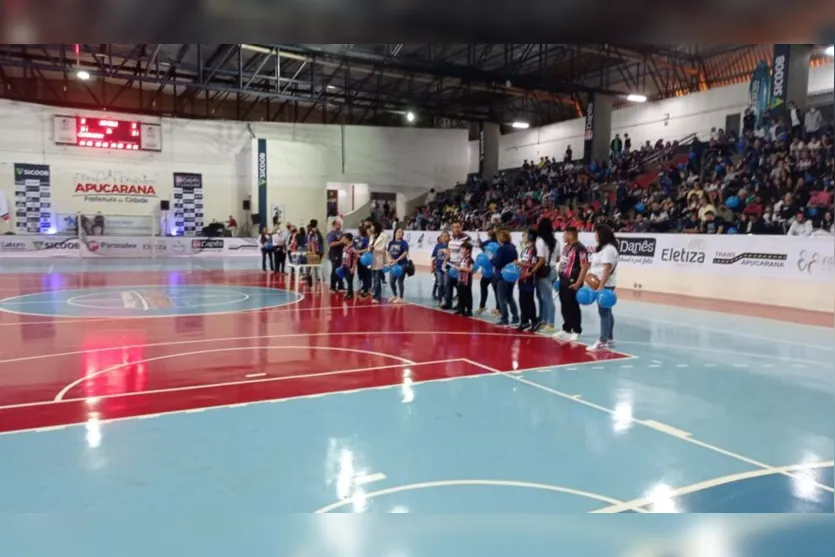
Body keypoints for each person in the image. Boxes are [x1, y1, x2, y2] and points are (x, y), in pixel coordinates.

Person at [586, 224, 619, 351]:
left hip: (605, 284)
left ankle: (603, 340)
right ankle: (609, 337)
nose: (595, 235)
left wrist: (600, 286)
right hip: (602, 283)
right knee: (607, 311)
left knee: (604, 312)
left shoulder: (609, 249)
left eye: (597, 233)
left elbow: (607, 269)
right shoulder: (604, 248)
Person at [553, 226, 589, 342]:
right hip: (563, 280)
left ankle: (577, 330)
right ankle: (566, 328)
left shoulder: (581, 249)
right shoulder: (566, 247)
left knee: (573, 306)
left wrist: (578, 282)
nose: (563, 236)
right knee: (564, 305)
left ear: (570, 235)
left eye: (565, 234)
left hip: (573, 281)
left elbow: (584, 266)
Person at [534, 217, 559, 333]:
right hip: (553, 270)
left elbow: (541, 259)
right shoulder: (556, 241)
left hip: (544, 271)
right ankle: (545, 320)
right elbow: (558, 258)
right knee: (546, 297)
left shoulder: (540, 241)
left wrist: (532, 270)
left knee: (546, 298)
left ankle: (550, 323)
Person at [492, 229, 519, 327]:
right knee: (510, 297)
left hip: (502, 275)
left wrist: (492, 259)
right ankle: (515, 317)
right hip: (512, 275)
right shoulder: (513, 248)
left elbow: (497, 262)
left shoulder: (501, 249)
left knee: (502, 298)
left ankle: (505, 319)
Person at [441, 221, 469, 310]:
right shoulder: (451, 238)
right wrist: (444, 262)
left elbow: (467, 253)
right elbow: (449, 252)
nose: (456, 229)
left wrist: (462, 263)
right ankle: (448, 303)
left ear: (461, 227)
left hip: (460, 266)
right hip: (451, 265)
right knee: (448, 284)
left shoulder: (466, 238)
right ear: (452, 228)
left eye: (458, 227)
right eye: (454, 227)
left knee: (460, 287)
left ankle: (460, 305)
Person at [516, 229, 538, 331]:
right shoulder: (525, 249)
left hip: (528, 278)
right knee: (522, 300)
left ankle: (534, 321)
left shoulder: (533, 249)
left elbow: (533, 264)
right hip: (522, 277)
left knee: (529, 301)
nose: (523, 237)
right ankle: (524, 321)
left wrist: (521, 264)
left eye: (524, 235)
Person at [477, 229, 499, 316]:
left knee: (483, 288)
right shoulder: (498, 243)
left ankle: (482, 306)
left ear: (489, 236)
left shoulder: (489, 242)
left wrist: (479, 239)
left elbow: (481, 246)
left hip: (488, 270)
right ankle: (498, 308)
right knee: (496, 291)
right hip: (493, 271)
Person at [367, 219, 388, 304]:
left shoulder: (384, 236)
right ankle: (374, 293)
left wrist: (374, 249)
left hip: (379, 259)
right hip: (372, 259)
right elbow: (369, 246)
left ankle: (377, 297)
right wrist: (369, 249)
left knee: (377, 279)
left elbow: (383, 248)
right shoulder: (372, 236)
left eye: (372, 226)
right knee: (374, 278)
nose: (371, 228)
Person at [387, 228, 409, 303]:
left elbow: (405, 253)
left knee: (400, 281)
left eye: (401, 232)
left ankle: (401, 297)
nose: (400, 233)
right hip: (393, 264)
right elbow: (388, 252)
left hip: (402, 264)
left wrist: (397, 260)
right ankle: (395, 295)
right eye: (398, 232)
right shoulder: (391, 243)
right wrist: (391, 259)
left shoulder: (404, 243)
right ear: (395, 233)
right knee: (391, 281)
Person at [455, 242, 475, 316]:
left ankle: (469, 310)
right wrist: (457, 267)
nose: (461, 250)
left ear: (468, 250)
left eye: (463, 248)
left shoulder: (470, 260)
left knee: (467, 295)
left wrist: (461, 268)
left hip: (467, 281)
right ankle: (461, 309)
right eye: (461, 248)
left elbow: (471, 270)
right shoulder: (462, 259)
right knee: (460, 295)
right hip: (460, 280)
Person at [431, 232, 449, 307]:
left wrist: (446, 252)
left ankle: (446, 300)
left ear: (448, 237)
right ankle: (439, 300)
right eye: (442, 236)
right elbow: (433, 257)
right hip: (438, 268)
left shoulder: (450, 246)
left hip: (446, 268)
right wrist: (432, 266)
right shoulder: (437, 246)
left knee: (446, 284)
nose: (444, 238)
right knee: (440, 284)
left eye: (445, 236)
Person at [354, 224, 371, 299]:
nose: (358, 232)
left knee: (365, 275)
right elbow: (353, 246)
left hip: (364, 258)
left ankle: (366, 290)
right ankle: (362, 287)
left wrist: (359, 251)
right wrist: (355, 252)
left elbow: (368, 248)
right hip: (358, 258)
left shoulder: (366, 239)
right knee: (359, 273)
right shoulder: (356, 238)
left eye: (359, 230)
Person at [327, 220, 345, 293]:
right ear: (334, 225)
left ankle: (341, 286)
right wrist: (340, 242)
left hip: (341, 254)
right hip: (334, 254)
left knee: (341, 270)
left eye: (340, 225)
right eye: (338, 225)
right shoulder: (331, 234)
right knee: (335, 270)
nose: (340, 226)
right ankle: (332, 287)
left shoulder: (341, 233)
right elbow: (330, 244)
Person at [341, 232, 358, 300]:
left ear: (348, 239)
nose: (342, 240)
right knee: (347, 280)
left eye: (344, 238)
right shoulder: (345, 248)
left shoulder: (352, 249)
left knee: (350, 280)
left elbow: (355, 258)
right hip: (345, 266)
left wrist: (353, 267)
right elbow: (343, 257)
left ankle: (350, 294)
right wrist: (342, 265)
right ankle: (348, 292)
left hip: (350, 267)